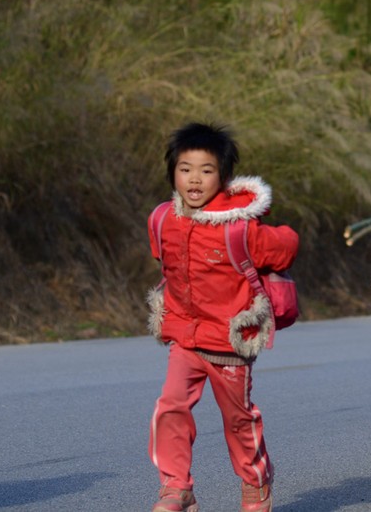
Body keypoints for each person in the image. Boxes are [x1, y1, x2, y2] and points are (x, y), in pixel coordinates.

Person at [147, 123, 299, 512]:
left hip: (231, 339)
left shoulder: (239, 226)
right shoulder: (163, 219)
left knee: (237, 419)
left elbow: (285, 246)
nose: (194, 179)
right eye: (185, 169)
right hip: (184, 335)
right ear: (172, 173)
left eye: (206, 170)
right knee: (170, 406)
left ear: (224, 177)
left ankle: (255, 485)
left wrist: (266, 233)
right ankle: (176, 487)